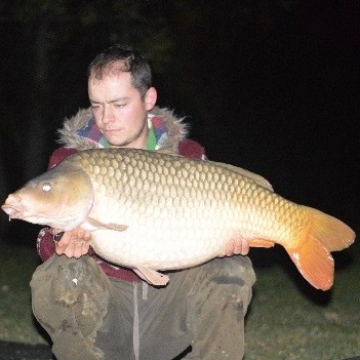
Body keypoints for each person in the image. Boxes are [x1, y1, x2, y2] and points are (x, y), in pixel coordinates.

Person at [30, 44, 256, 360]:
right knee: (62, 272)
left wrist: (223, 239)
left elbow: (211, 230)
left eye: (119, 104)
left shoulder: (188, 156)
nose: (106, 119)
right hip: (106, 312)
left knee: (230, 266)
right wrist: (58, 239)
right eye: (96, 106)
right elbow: (44, 239)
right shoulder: (71, 162)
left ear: (148, 99)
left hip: (169, 306)